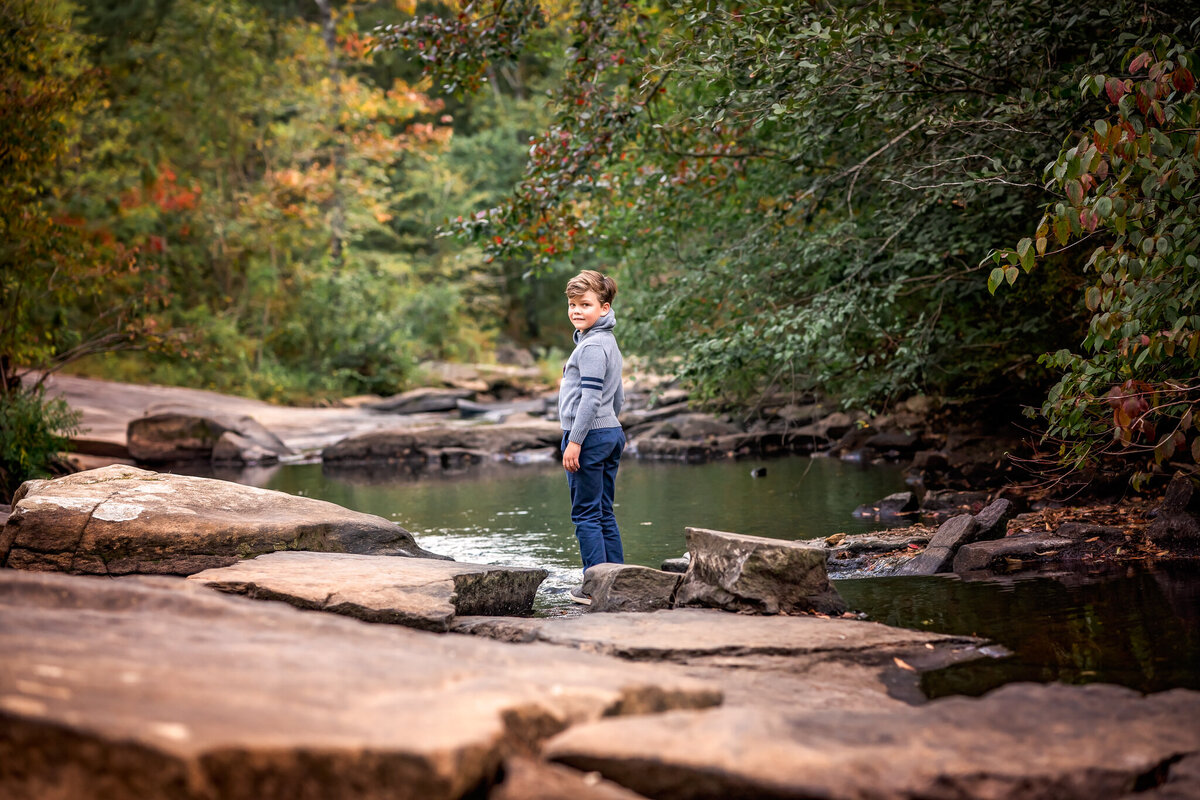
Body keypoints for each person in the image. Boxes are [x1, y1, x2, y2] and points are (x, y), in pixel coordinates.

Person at [558, 269, 626, 605]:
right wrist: (609, 425)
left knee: (585, 513)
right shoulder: (607, 342)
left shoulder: (592, 347)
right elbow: (619, 399)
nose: (576, 310)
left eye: (585, 304)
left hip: (589, 435)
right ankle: (617, 580)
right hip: (610, 432)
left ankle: (594, 587)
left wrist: (576, 440)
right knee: (603, 511)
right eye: (572, 304)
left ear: (604, 307)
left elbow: (590, 398)